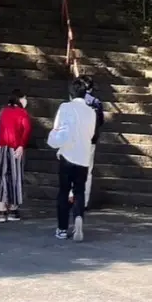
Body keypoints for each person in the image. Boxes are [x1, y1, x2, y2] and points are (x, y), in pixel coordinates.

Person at [47, 76, 96, 242]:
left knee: (63, 192)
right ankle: (78, 217)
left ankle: (61, 229)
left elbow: (58, 128)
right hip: (83, 156)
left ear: (71, 93)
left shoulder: (65, 107)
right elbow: (91, 134)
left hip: (68, 155)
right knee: (79, 191)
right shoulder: (91, 112)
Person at [0, 89, 31, 221]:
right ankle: (13, 209)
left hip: (2, 147)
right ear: (19, 99)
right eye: (24, 98)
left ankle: (1, 209)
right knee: (15, 178)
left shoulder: (3, 111)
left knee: (2, 177)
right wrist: (21, 145)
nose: (25, 101)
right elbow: (26, 130)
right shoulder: (23, 113)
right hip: (16, 148)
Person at [83, 75, 104, 209]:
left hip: (76, 139)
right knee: (87, 170)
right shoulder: (96, 102)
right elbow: (101, 121)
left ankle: (71, 196)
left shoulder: (73, 102)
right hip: (91, 139)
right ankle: (84, 201)